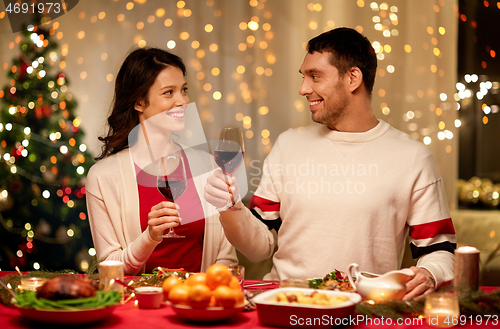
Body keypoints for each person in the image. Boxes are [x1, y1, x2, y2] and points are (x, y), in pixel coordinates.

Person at [204, 27, 456, 299]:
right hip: (285, 304)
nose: (303, 89)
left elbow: (439, 252)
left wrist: (430, 274)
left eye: (315, 77)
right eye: (303, 77)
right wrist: (230, 207)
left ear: (352, 78)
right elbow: (258, 248)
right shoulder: (288, 145)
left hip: (362, 310)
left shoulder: (413, 157)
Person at [86, 48, 237, 275]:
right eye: (169, 92)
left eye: (184, 90)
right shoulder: (103, 177)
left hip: (197, 302)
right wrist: (150, 237)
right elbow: (110, 269)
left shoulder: (208, 166)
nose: (183, 101)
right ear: (139, 102)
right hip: (137, 305)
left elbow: (226, 260)